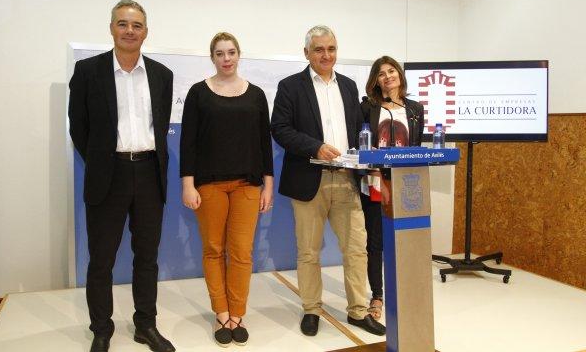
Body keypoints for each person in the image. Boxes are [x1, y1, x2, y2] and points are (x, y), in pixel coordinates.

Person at [68, 0, 175, 352]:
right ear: (112, 28)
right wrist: (100, 161)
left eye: (137, 25)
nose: (130, 31)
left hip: (148, 174)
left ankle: (146, 324)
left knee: (147, 257)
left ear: (146, 31)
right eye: (123, 24)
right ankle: (101, 328)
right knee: (102, 259)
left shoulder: (162, 75)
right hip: (108, 175)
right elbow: (78, 128)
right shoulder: (87, 72)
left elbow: (158, 129)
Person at [271, 25, 385, 337]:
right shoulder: (290, 87)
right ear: (306, 52)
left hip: (347, 179)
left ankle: (359, 311)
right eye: (319, 49)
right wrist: (314, 146)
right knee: (308, 252)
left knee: (357, 249)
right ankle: (311, 309)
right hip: (310, 179)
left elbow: (359, 128)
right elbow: (279, 128)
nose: (326, 55)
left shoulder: (349, 86)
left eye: (331, 49)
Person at [180, 32, 274, 347]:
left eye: (231, 52)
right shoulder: (197, 93)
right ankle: (221, 312)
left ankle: (239, 313)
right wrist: (188, 184)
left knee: (242, 252)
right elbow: (188, 142)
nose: (226, 59)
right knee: (213, 250)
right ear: (212, 57)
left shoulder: (257, 94)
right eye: (220, 54)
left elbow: (264, 143)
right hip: (209, 185)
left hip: (248, 185)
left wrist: (268, 185)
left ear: (238, 54)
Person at [359, 56, 424, 321]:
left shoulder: (415, 109)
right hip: (376, 181)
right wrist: (376, 175)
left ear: (399, 74)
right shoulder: (368, 108)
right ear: (375, 81)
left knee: (407, 239)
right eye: (381, 73)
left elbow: (417, 146)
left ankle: (406, 291)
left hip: (408, 182)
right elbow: (362, 145)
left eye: (391, 70)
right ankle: (377, 295)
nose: (388, 76)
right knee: (376, 242)